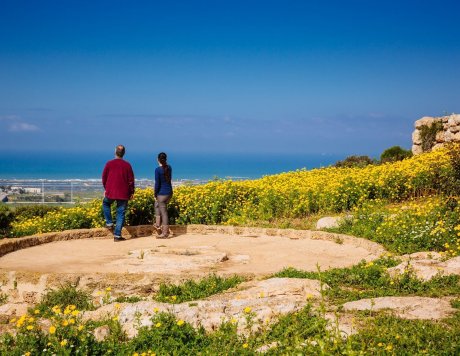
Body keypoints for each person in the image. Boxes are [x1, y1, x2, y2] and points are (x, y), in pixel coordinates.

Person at [102, 145, 135, 242]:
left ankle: (109, 223)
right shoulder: (127, 165)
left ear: (115, 152)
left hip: (111, 192)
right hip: (124, 193)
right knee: (120, 213)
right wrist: (132, 192)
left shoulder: (109, 164)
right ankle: (117, 236)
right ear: (123, 153)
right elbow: (131, 180)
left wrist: (106, 189)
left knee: (106, 203)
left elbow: (104, 178)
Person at [154, 152, 173, 238]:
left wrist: (155, 194)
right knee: (156, 205)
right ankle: (158, 225)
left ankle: (165, 233)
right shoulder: (169, 168)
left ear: (158, 159)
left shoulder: (158, 170)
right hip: (169, 193)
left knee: (164, 213)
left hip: (162, 194)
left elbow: (157, 184)